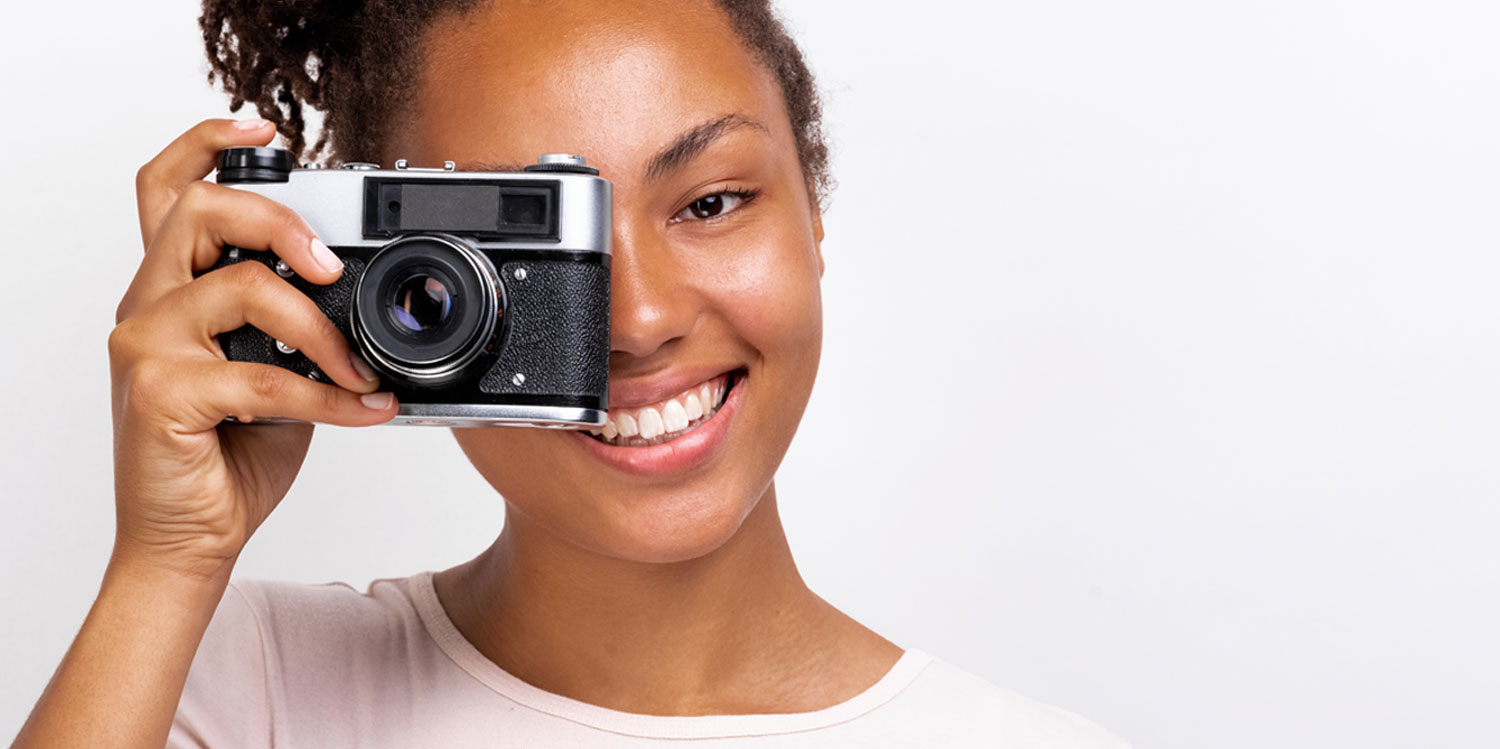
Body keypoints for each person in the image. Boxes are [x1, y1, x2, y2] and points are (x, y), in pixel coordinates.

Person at [15, 1, 1130, 746]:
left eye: (708, 202)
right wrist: (164, 563)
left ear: (813, 213)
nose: (638, 320)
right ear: (376, 280)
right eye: (536, 245)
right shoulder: (234, 685)